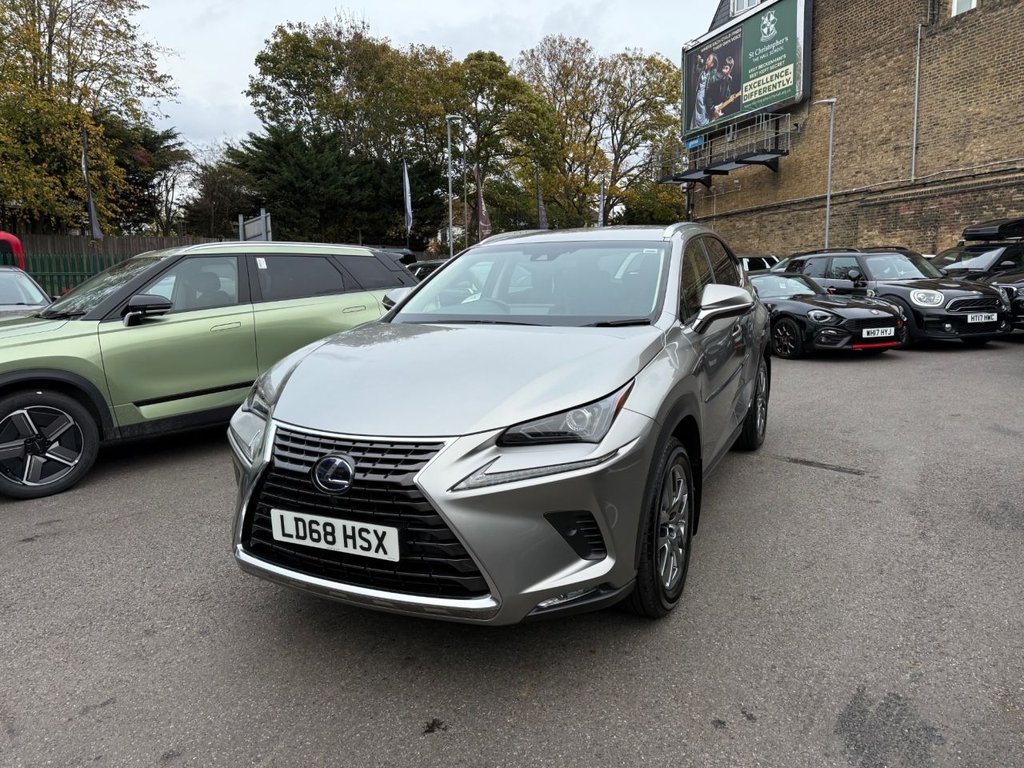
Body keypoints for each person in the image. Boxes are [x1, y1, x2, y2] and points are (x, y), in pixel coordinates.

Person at [690, 53, 718, 129]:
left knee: (703, 120)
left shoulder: (712, 76)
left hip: (704, 100)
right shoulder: (703, 71)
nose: (706, 60)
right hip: (698, 99)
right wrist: (698, 62)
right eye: (707, 58)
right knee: (696, 119)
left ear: (712, 64)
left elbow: (711, 92)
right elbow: (697, 70)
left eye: (709, 59)